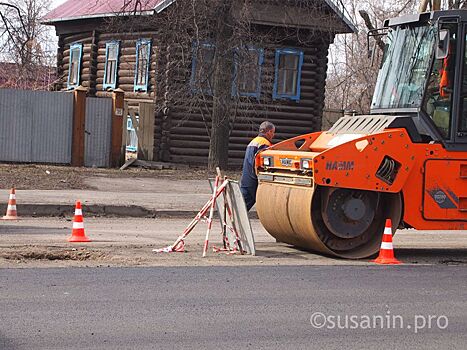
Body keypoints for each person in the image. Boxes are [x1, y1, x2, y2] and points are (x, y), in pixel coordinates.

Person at [240, 121, 275, 211]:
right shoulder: (265, 144)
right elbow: (264, 163)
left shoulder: (254, 141)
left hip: (246, 177)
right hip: (254, 180)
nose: (273, 135)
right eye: (273, 132)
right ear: (269, 132)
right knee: (243, 207)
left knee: (241, 204)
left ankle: (230, 221)